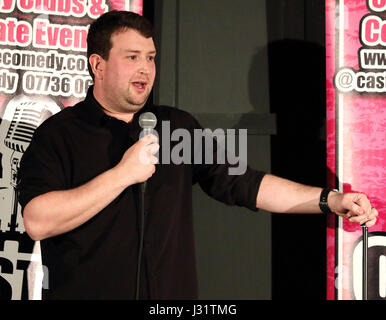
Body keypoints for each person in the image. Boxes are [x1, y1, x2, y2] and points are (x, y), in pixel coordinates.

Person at [17, 10, 378, 300]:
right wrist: (122, 174)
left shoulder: (176, 127)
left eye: (151, 57)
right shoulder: (58, 134)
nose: (145, 68)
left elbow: (246, 184)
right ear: (98, 65)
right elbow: (37, 221)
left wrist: (331, 199)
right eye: (132, 57)